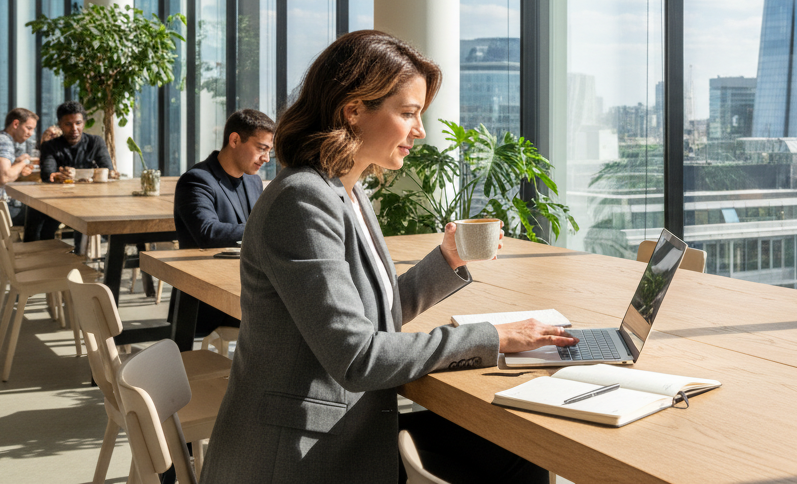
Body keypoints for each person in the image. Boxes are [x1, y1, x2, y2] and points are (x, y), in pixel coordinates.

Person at [200, 31, 575, 484]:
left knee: (519, 449)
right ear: (354, 110)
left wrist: (447, 260)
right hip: (301, 454)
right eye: (408, 113)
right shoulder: (302, 199)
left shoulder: (345, 190)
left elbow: (371, 315)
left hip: (344, 423)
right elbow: (357, 356)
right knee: (518, 456)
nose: (419, 130)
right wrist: (493, 336)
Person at [173, 108, 274, 337]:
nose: (266, 158)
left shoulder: (253, 182)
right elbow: (207, 232)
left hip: (246, 288)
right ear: (235, 139)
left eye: (269, 152)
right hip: (208, 298)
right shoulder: (196, 180)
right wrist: (265, 230)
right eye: (262, 149)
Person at [34, 100, 115, 242]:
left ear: (84, 122)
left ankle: (86, 253)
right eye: (68, 124)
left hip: (92, 201)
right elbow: (47, 175)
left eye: (78, 123)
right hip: (57, 203)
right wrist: (58, 176)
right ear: (59, 124)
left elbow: (108, 170)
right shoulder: (50, 146)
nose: (74, 128)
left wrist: (76, 175)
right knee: (38, 216)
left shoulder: (95, 142)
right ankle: (38, 252)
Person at [0, 109, 39, 226]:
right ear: (15, 124)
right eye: (29, 128)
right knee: (41, 212)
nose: (31, 133)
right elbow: (3, 178)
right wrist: (24, 162)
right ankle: (35, 244)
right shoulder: (4, 142)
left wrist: (16, 164)